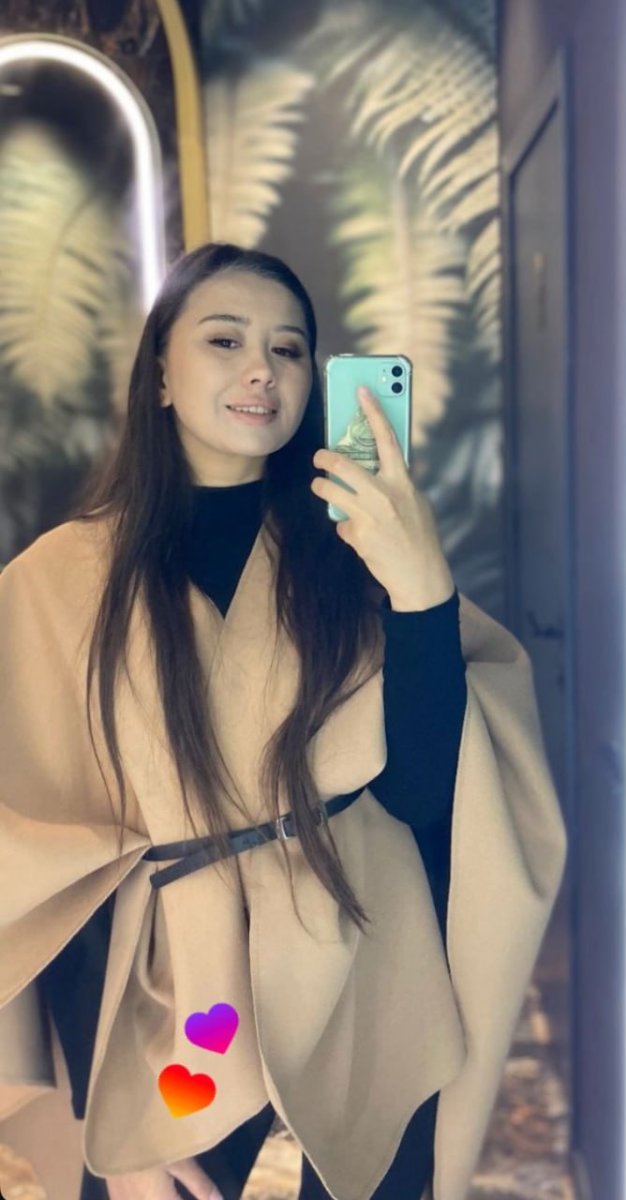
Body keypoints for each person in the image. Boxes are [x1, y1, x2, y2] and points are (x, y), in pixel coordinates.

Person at [0, 243, 567, 1200]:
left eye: (289, 348)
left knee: (380, 1169)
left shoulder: (354, 551)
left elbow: (425, 793)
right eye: (225, 340)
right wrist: (111, 1114)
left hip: (362, 940)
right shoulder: (58, 584)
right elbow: (54, 867)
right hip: (174, 988)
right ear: (161, 374)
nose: (262, 368)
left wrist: (421, 591)